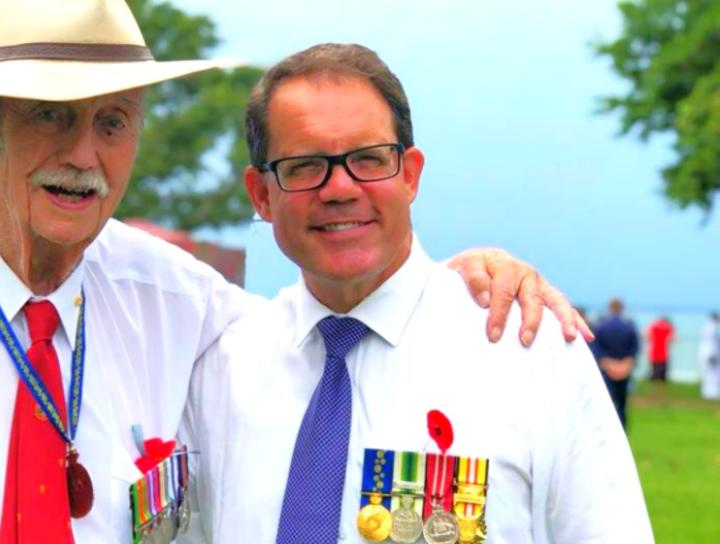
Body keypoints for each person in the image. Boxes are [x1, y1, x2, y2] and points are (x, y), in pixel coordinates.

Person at [0, 2, 588, 542]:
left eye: (113, 122)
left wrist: (459, 281)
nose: (85, 155)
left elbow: (337, 311)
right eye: (51, 117)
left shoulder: (185, 305)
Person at [185, 43, 649, 543]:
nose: (339, 188)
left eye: (368, 160)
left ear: (409, 175)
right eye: (304, 166)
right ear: (261, 194)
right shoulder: (221, 369)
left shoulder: (530, 354)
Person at [591, 298, 640, 428]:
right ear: (622, 309)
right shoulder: (629, 327)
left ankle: (607, 429)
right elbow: (634, 348)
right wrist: (626, 365)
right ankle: (622, 429)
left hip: (606, 369)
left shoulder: (600, 326)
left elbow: (596, 348)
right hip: (624, 369)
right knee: (622, 403)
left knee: (606, 401)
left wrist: (608, 364)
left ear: (610, 308)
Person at [645, 315, 675, 384]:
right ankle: (661, 390)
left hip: (653, 353)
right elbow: (674, 339)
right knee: (662, 376)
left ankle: (653, 389)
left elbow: (646, 336)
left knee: (654, 374)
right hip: (664, 354)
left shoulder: (653, 326)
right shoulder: (668, 327)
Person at [700, 312, 720, 400]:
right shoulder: (711, 327)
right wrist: (713, 353)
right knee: (711, 374)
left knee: (711, 373)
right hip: (711, 354)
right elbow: (711, 342)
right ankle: (710, 393)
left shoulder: (710, 327)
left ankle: (711, 393)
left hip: (710, 353)